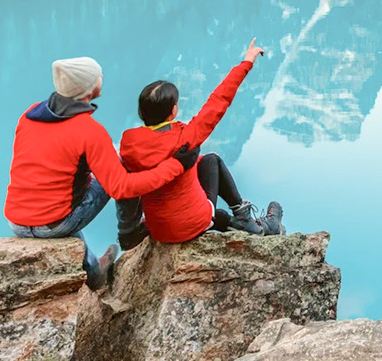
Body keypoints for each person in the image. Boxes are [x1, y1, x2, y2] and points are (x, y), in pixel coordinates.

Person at [4, 55, 197, 289]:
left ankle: (95, 273)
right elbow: (121, 187)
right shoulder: (89, 131)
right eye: (98, 76)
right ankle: (129, 230)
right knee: (122, 164)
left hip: (16, 219)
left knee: (64, 194)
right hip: (55, 224)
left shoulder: (30, 114)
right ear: (88, 88)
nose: (102, 78)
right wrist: (176, 165)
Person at [116, 40, 284, 248]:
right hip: (193, 223)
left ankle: (236, 223)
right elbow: (219, 101)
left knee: (200, 173)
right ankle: (244, 218)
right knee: (211, 161)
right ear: (173, 111)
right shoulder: (186, 136)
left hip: (159, 229)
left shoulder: (129, 144)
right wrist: (247, 62)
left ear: (141, 113)